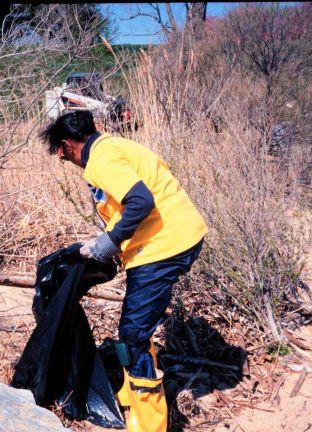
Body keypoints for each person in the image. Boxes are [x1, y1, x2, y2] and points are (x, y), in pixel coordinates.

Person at [40, 110, 208, 432]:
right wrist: (103, 243)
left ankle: (148, 425)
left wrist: (111, 241)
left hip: (163, 246)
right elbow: (130, 203)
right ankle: (132, 394)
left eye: (61, 155)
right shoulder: (112, 147)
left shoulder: (100, 160)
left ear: (66, 146)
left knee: (131, 338)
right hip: (173, 238)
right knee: (132, 331)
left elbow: (141, 201)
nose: (65, 161)